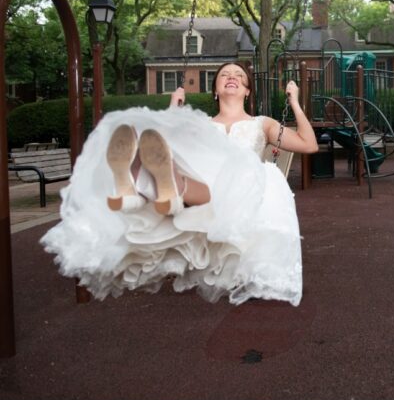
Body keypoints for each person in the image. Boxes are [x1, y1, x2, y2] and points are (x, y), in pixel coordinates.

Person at [41, 62, 319, 304]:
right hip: (205, 194)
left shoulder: (263, 124)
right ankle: (143, 184)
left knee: (261, 175)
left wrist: (294, 102)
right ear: (215, 89)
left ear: (247, 90)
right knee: (162, 150)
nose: (231, 77)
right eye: (224, 75)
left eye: (239, 76)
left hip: (244, 194)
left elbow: (309, 144)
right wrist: (173, 108)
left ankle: (156, 187)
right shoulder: (201, 125)